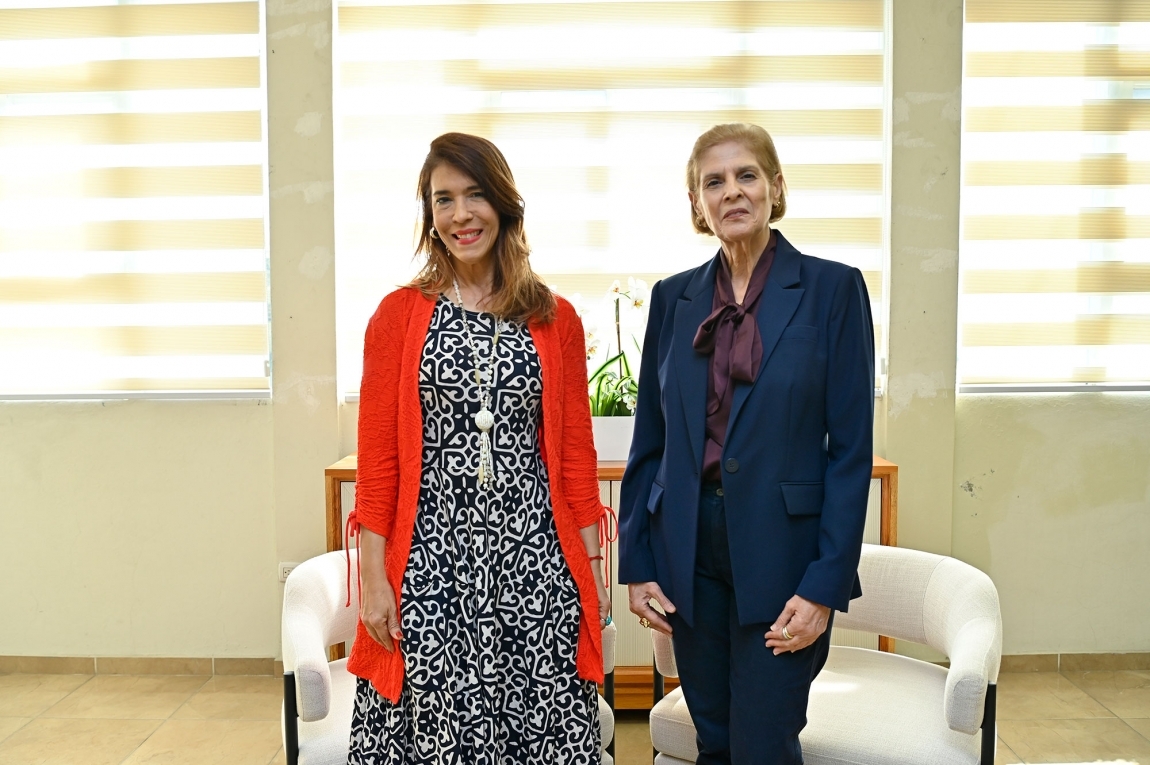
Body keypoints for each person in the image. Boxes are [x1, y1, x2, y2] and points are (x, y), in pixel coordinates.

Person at [345, 132, 611, 764]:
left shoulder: (555, 318)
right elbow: (378, 462)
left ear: (504, 204)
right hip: (430, 572)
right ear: (430, 216)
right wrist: (377, 582)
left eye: (474, 195)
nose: (460, 214)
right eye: (443, 200)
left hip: (537, 570)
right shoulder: (397, 315)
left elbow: (575, 458)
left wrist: (591, 575)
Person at [618, 123, 875, 764]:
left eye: (746, 175)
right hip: (689, 551)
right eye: (714, 181)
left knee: (763, 742)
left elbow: (849, 452)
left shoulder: (832, 290)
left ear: (775, 187)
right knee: (716, 739)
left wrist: (823, 587)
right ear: (698, 204)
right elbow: (651, 439)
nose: (731, 192)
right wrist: (639, 562)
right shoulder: (672, 298)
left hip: (784, 555)